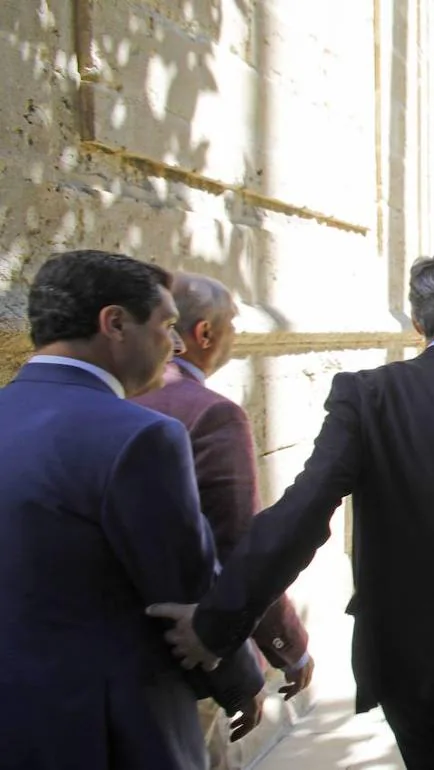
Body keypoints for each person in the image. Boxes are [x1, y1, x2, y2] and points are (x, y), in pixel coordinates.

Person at [150, 248, 434, 769]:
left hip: (403, 657)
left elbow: (302, 511)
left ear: (415, 321)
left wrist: (217, 622)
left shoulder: (367, 395)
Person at [0, 251, 265, 770]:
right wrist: (241, 681)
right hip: (106, 730)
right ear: (115, 323)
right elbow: (184, 588)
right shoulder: (143, 437)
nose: (173, 344)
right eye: (167, 325)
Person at [132, 273, 313, 770]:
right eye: (233, 322)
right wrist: (287, 649)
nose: (238, 332)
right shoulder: (210, 415)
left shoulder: (113, 399)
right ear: (204, 334)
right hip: (185, 658)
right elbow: (240, 548)